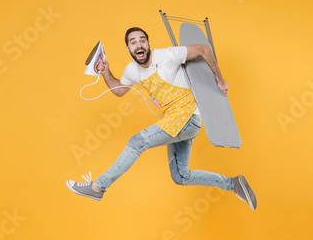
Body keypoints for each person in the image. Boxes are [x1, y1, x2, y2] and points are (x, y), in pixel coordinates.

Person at [66, 27, 257, 210]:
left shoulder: (167, 55)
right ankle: (233, 184)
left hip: (187, 116)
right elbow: (119, 90)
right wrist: (105, 71)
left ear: (148, 43)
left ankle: (98, 187)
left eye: (142, 40)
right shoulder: (132, 70)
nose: (139, 45)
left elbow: (204, 50)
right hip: (173, 121)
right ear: (128, 49)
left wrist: (219, 79)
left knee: (137, 142)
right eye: (133, 42)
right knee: (181, 176)